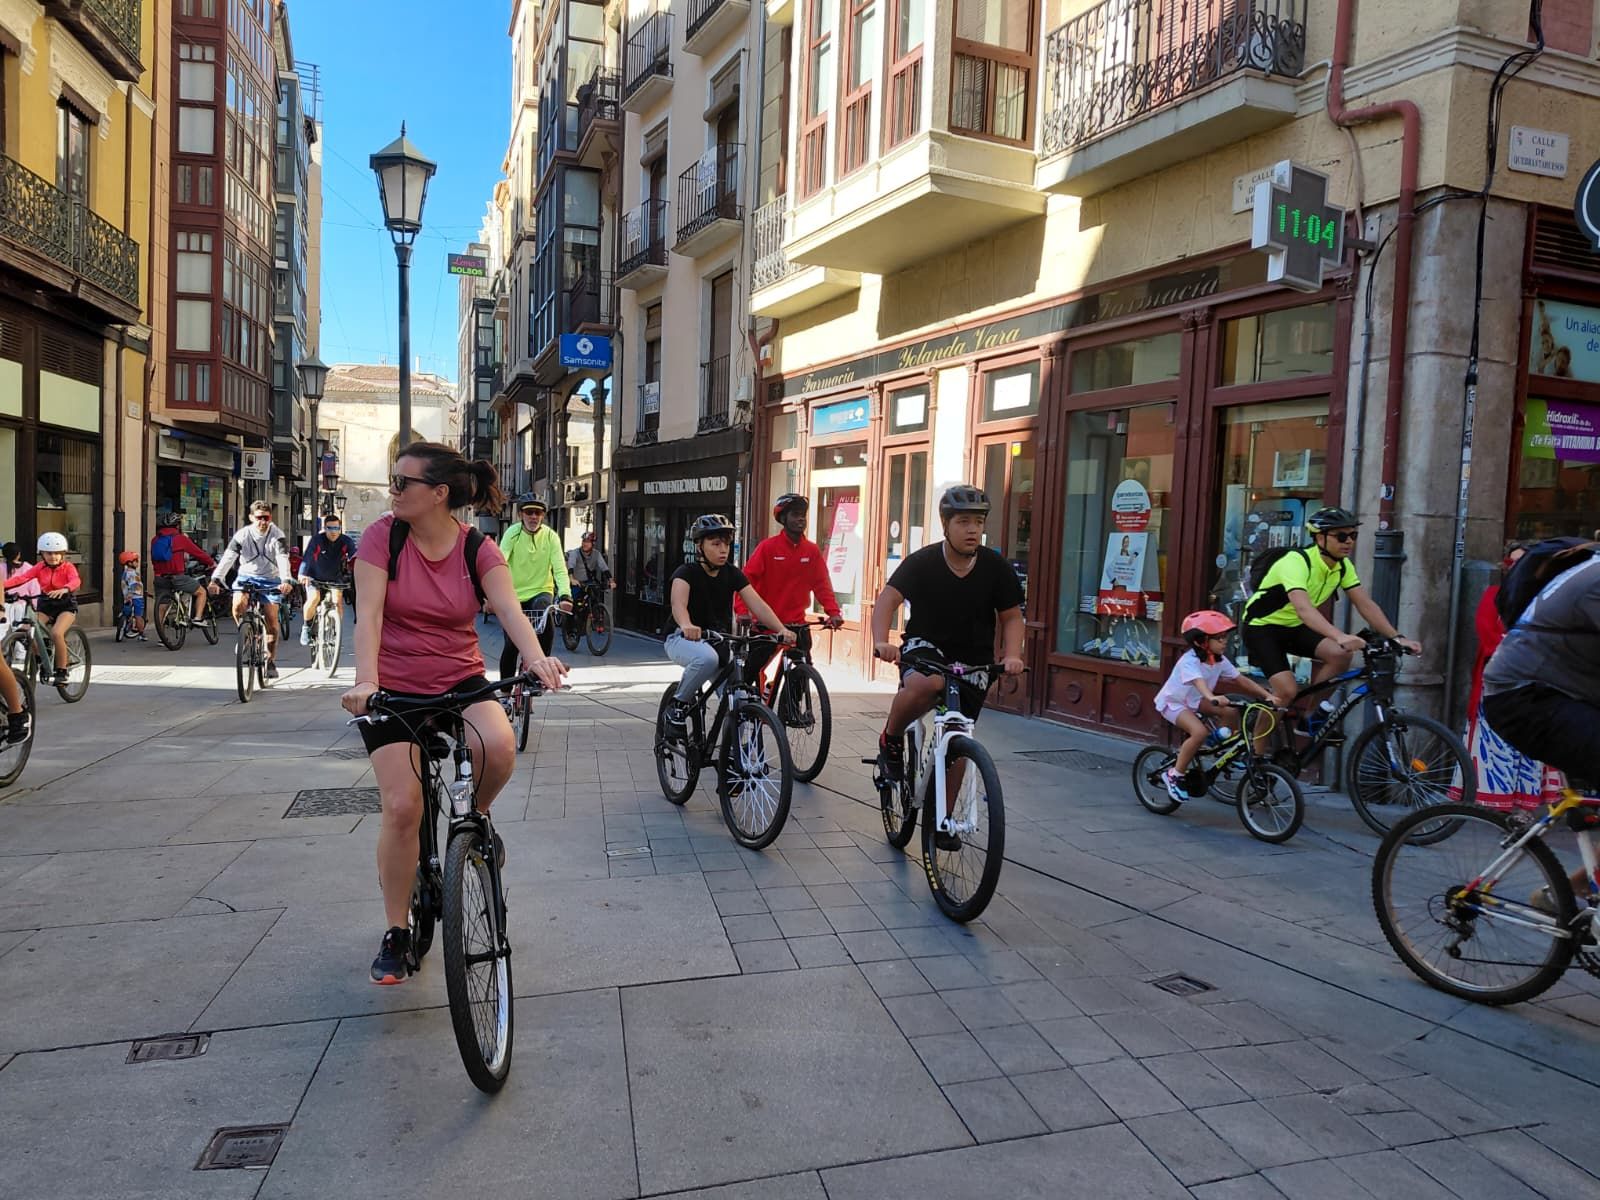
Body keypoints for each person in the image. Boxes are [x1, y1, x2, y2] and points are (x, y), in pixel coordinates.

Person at [340, 443, 566, 984]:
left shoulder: (478, 549)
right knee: (402, 806)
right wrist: (364, 682)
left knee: (498, 744)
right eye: (393, 481)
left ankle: (479, 815)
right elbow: (367, 618)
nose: (392, 491)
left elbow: (509, 610)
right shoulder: (381, 538)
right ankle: (396, 930)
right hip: (391, 686)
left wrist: (537, 660)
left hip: (458, 676)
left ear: (439, 494)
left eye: (403, 483)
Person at [870, 485, 1025, 843]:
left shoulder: (995, 567)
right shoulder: (923, 561)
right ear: (945, 524)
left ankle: (942, 820)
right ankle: (890, 738)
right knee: (928, 685)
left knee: (958, 735)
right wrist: (881, 640)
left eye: (979, 521)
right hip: (927, 649)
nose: (973, 529)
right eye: (964, 521)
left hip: (974, 662)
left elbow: (1013, 617)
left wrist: (1013, 654)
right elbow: (888, 600)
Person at [1482, 543, 1600, 905]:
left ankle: (1583, 882)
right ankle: (1576, 886)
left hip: (1563, 691)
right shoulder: (1595, 580)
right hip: (1526, 698)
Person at [1240, 506, 1420, 715]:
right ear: (1319, 538)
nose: (1349, 542)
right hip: (1262, 627)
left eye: (1353, 535)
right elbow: (1303, 609)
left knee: (1340, 655)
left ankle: (1310, 716)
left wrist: (1397, 637)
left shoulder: (1342, 566)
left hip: (1293, 627)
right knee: (1286, 692)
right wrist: (1340, 636)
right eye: (1342, 536)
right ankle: (1258, 747)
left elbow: (1365, 604)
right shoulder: (1296, 561)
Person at [664, 514, 795, 732]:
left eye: (726, 543)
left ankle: (734, 757)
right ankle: (677, 707)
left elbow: (758, 605)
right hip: (681, 637)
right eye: (715, 544)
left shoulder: (732, 574)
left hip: (719, 641)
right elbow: (679, 605)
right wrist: (687, 625)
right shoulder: (685, 573)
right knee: (706, 659)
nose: (723, 549)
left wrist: (781, 629)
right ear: (699, 546)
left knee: (740, 702)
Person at [1155, 611, 1276, 803]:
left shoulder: (1218, 659)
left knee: (1230, 711)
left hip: (1195, 701)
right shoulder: (1190, 662)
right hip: (1173, 703)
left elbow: (1240, 680)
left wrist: (1267, 695)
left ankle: (1221, 748)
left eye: (1225, 638)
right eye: (1219, 638)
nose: (1224, 642)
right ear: (1200, 641)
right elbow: (1199, 683)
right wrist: (1212, 697)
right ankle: (1175, 775)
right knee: (1199, 732)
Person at [736, 493, 844, 683]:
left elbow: (822, 584)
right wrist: (742, 611)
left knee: (800, 677)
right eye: (795, 514)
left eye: (803, 514)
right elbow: (745, 582)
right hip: (766, 628)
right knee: (750, 678)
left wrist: (833, 612)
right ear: (783, 518)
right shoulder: (767, 548)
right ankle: (746, 708)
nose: (801, 518)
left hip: (797, 627)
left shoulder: (811, 551)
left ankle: (792, 713)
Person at [208, 501, 293, 679]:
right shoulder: (242, 535)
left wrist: (285, 579)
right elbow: (228, 558)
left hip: (270, 578)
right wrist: (216, 579)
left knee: (272, 620)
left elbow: (282, 557)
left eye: (266, 518)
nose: (263, 521)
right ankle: (244, 632)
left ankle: (270, 660)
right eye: (259, 517)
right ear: (251, 518)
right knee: (238, 605)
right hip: (246, 576)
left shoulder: (277, 535)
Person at [498, 495, 571, 675]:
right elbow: (498, 563)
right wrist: (492, 594)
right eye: (529, 512)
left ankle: (540, 672)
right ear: (521, 515)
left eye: (537, 513)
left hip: (541, 591)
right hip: (513, 595)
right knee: (512, 645)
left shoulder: (550, 536)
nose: (533, 517)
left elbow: (560, 569)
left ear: (543, 516)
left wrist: (565, 595)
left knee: (545, 617)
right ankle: (507, 693)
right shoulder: (512, 534)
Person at [3, 533, 81, 683]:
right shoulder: (39, 567)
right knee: (25, 629)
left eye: (57, 553)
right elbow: (22, 578)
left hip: (65, 605)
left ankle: (62, 671)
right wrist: (2, 587)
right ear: (42, 554)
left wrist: (65, 589)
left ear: (63, 554)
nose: (53, 556)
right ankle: (40, 657)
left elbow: (76, 580)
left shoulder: (68, 567)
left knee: (56, 633)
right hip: (46, 605)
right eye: (49, 553)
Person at [298, 513, 357, 646]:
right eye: (330, 528)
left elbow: (354, 557)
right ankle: (306, 627)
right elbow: (307, 556)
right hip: (314, 576)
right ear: (325, 528)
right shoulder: (317, 540)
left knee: (338, 601)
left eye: (336, 528)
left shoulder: (345, 541)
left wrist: (361, 571)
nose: (333, 532)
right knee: (314, 598)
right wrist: (302, 573)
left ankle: (336, 629)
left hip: (335, 577)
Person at [150, 512, 215, 627]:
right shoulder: (180, 539)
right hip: (177, 576)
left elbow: (154, 559)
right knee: (201, 592)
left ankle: (161, 635)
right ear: (177, 526)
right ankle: (198, 618)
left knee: (162, 605)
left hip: (160, 577)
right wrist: (211, 563)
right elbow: (198, 553)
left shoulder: (155, 540)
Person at [3, 542, 38, 632]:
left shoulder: (1, 567)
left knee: (5, 633)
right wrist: (35, 605)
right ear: (18, 554)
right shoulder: (27, 567)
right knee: (23, 635)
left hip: (5, 605)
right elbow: (35, 588)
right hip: (23, 605)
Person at [117, 551, 148, 639]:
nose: (137, 562)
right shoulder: (133, 574)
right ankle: (142, 633)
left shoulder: (125, 573)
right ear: (130, 563)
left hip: (127, 597)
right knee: (138, 615)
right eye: (136, 560)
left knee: (127, 612)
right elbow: (135, 586)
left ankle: (127, 624)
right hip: (136, 597)